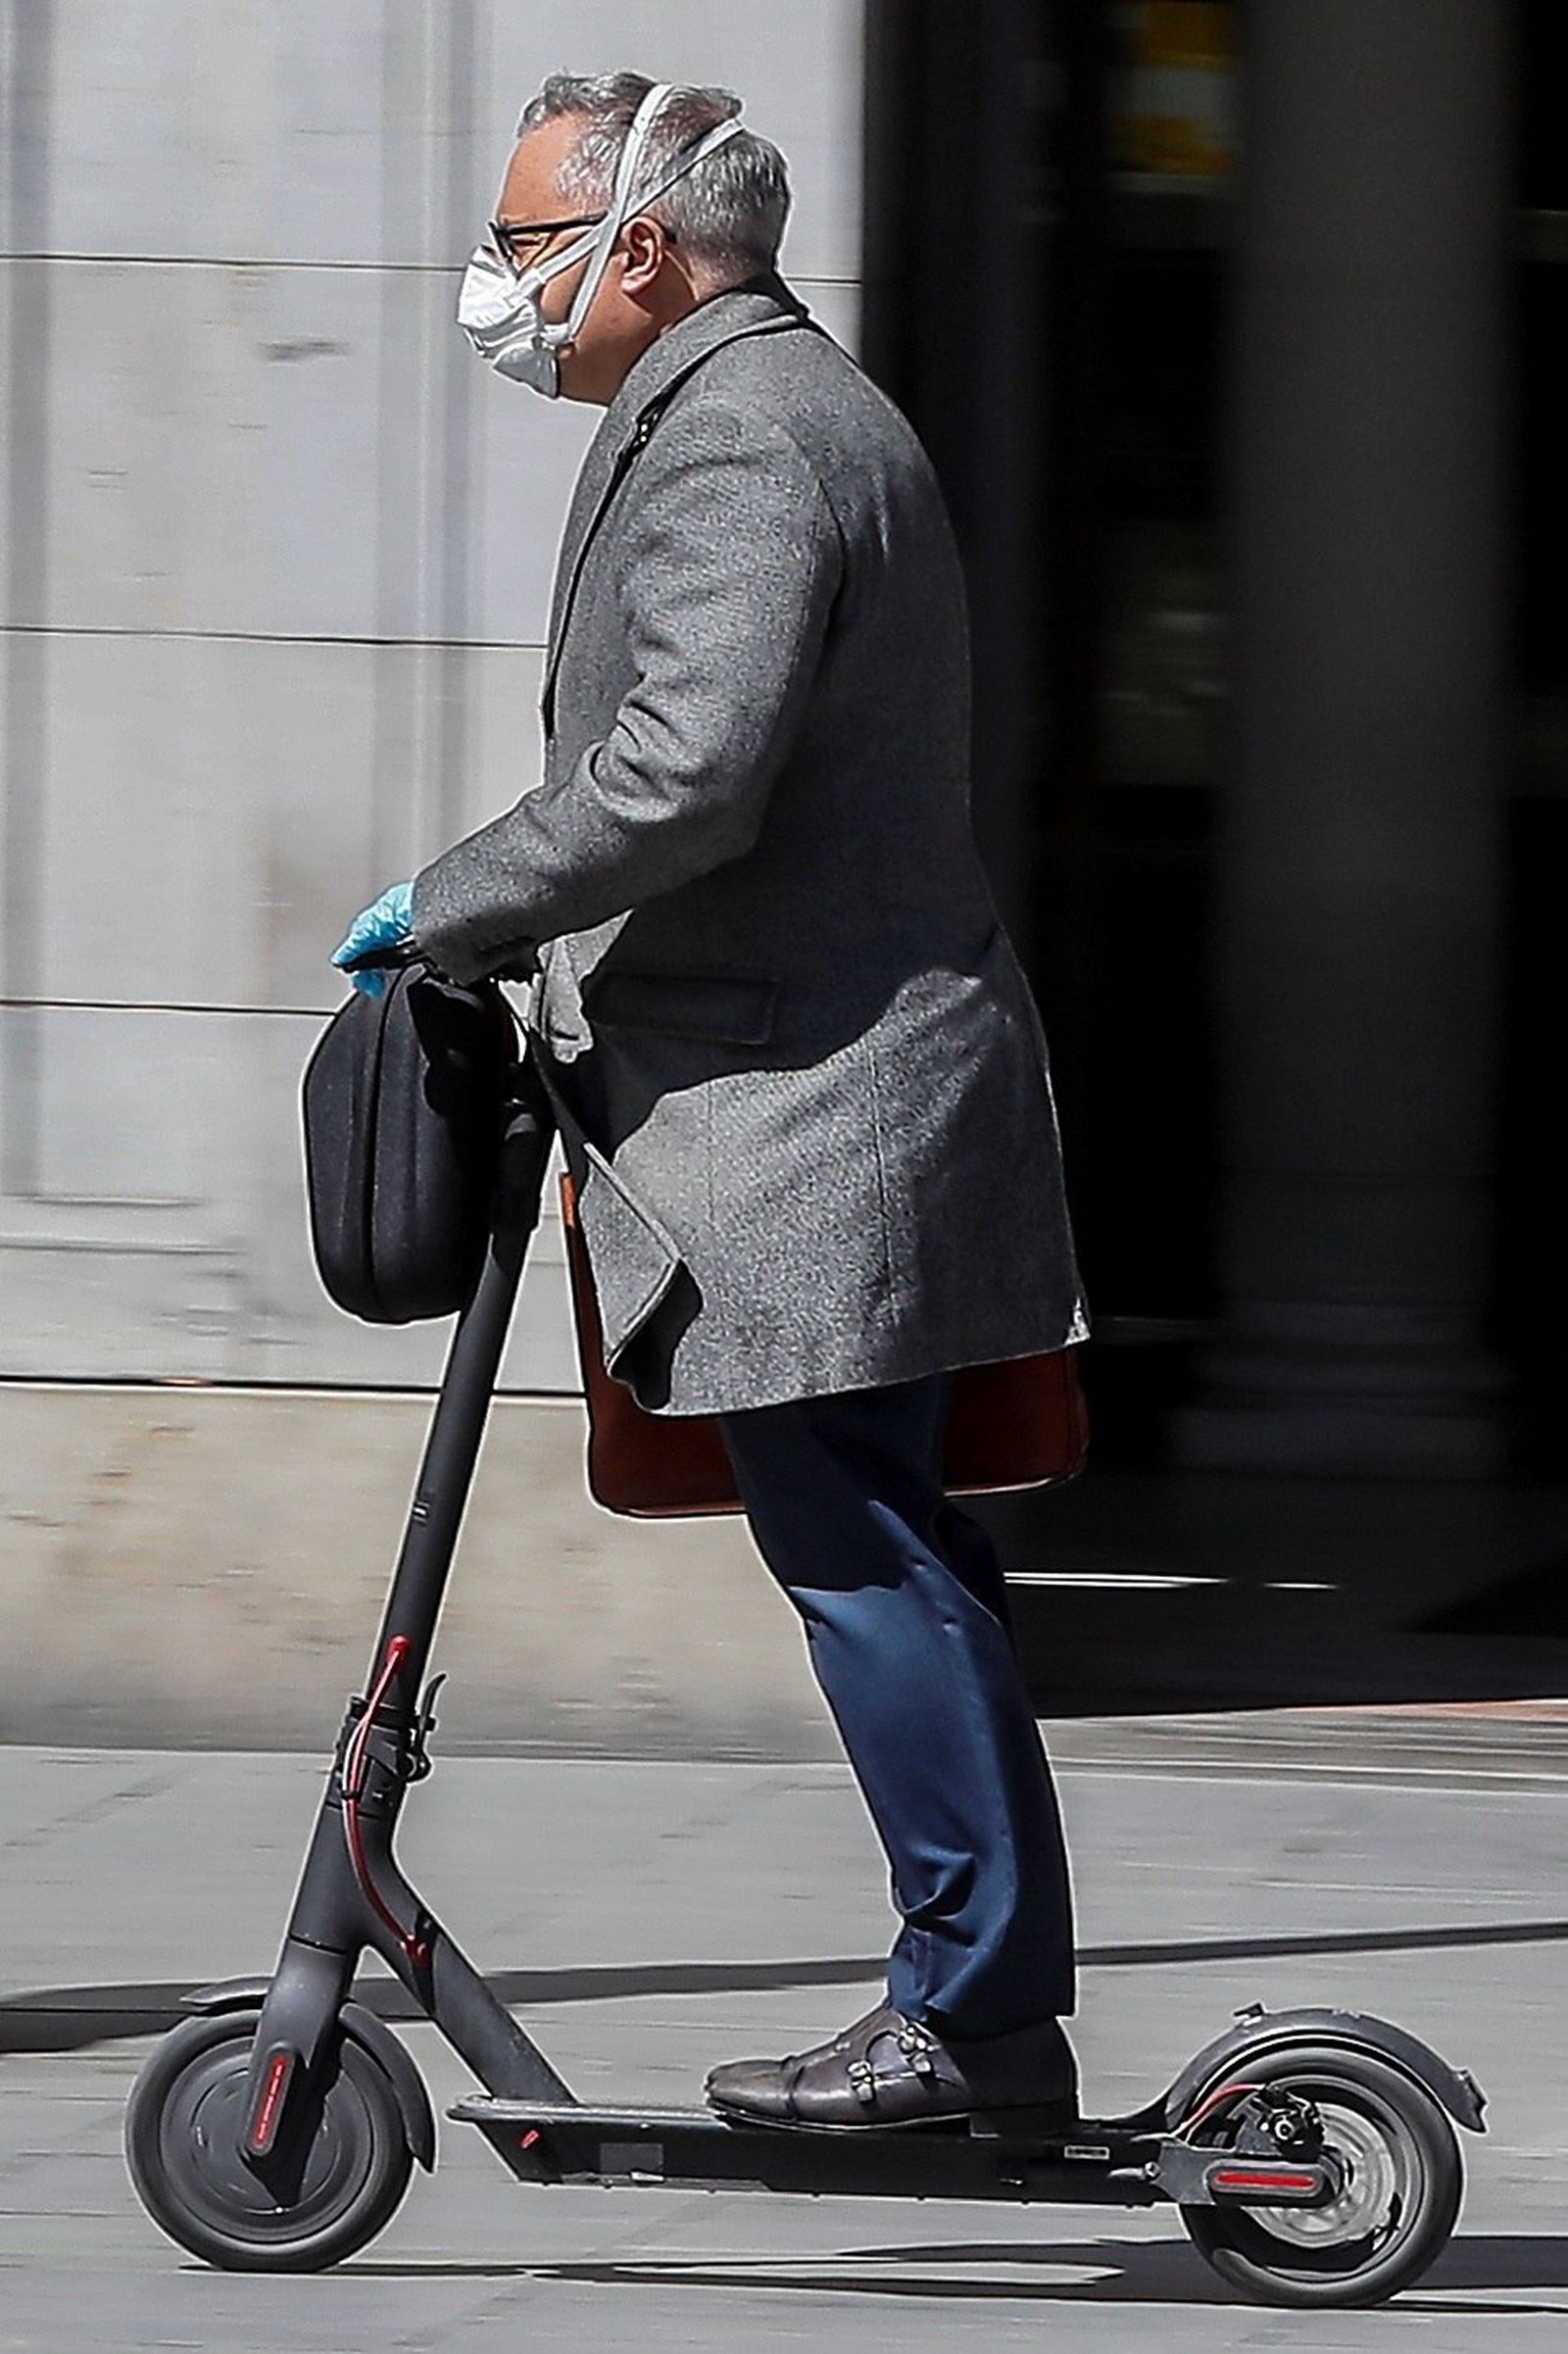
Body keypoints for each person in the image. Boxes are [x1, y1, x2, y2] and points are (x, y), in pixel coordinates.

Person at [333, 73, 1089, 2132]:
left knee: (866, 1546)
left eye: (525, 246)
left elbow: (683, 770)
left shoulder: (748, 430)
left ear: (644, 250)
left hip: (813, 1102)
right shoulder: (755, 404)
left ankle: (973, 2018)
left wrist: (446, 906)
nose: (500, 286)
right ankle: (985, 2005)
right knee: (883, 1540)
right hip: (815, 1082)